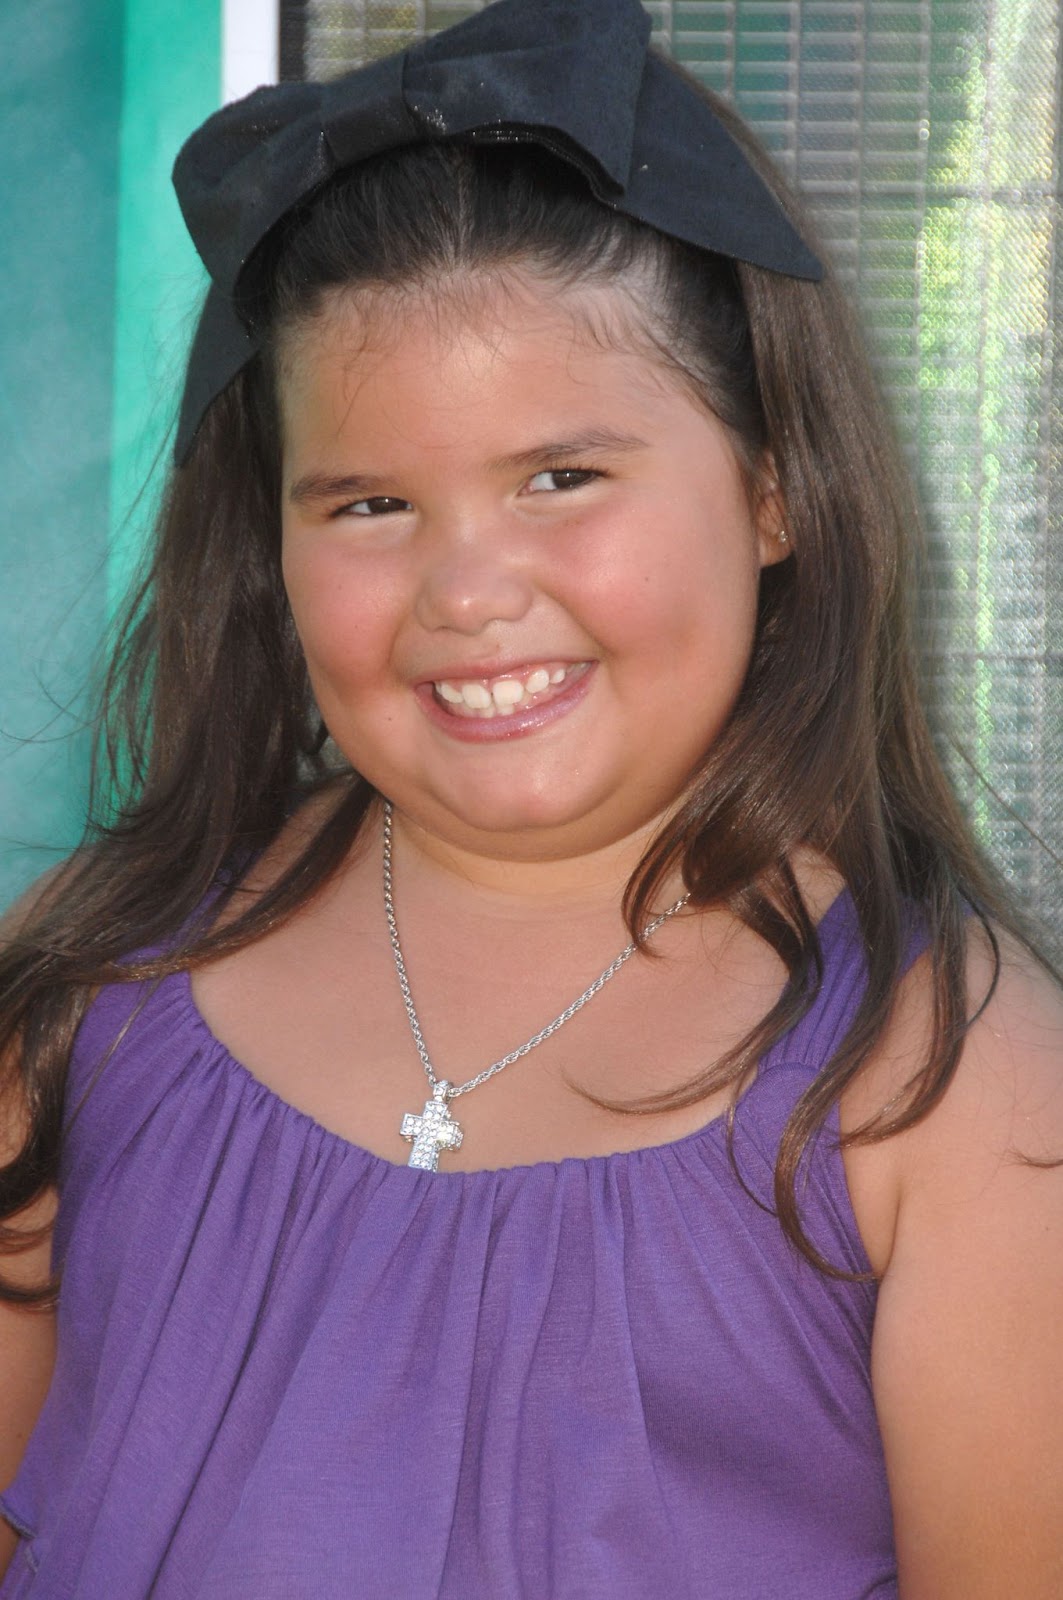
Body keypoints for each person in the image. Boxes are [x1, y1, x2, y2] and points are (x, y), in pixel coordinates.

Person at [1, 0, 1061, 1593]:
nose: (468, 592)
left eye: (561, 478)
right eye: (370, 502)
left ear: (773, 489)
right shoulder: (92, 983)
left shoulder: (948, 1086)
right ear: (269, 548)